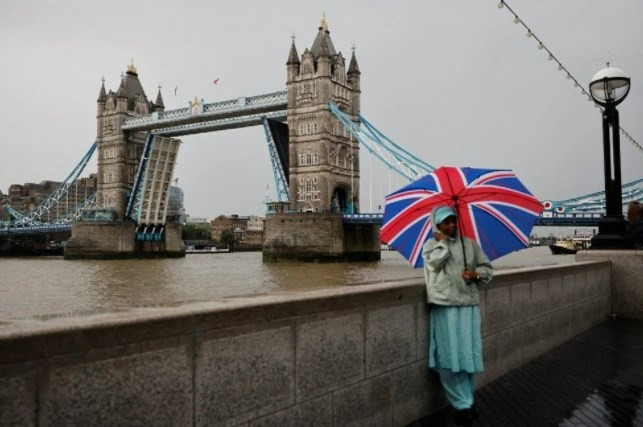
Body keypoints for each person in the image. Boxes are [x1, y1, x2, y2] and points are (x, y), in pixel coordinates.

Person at [422, 205, 493, 426]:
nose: (452, 225)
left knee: (467, 357)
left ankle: (468, 402)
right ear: (438, 225)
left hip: (469, 306)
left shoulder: (470, 245)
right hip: (445, 306)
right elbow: (433, 264)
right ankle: (463, 405)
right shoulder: (431, 246)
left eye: (454, 220)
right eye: (447, 222)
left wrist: (476, 274)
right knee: (448, 358)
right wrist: (442, 242)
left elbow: (488, 269)